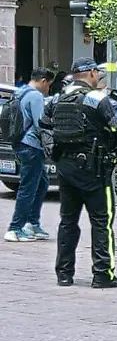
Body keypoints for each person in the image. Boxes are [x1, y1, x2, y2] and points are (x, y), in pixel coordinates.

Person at [42, 58, 117, 288]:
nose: (98, 76)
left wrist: (53, 151)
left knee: (68, 221)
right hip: (94, 170)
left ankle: (64, 274)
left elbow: (44, 125)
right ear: (90, 73)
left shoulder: (58, 98)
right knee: (101, 221)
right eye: (97, 72)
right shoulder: (96, 98)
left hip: (66, 168)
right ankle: (103, 274)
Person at [5, 67, 54, 243]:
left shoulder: (20, 92)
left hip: (20, 143)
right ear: (43, 81)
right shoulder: (35, 96)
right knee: (28, 188)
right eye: (49, 85)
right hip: (32, 146)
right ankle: (15, 228)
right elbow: (41, 124)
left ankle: (32, 223)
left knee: (42, 183)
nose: (48, 89)